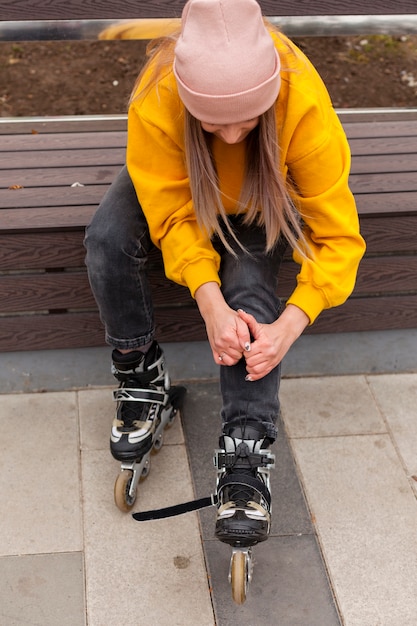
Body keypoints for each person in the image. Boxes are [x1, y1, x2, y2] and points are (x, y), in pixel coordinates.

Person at [84, 0, 365, 547]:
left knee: (249, 292)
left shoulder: (300, 100)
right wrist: (206, 299)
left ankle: (246, 444)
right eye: (214, 124)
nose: (233, 137)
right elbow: (169, 211)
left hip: (264, 197)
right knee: (107, 240)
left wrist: (291, 322)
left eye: (248, 120)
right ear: (190, 105)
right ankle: (142, 375)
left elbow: (339, 236)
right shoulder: (160, 93)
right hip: (180, 181)